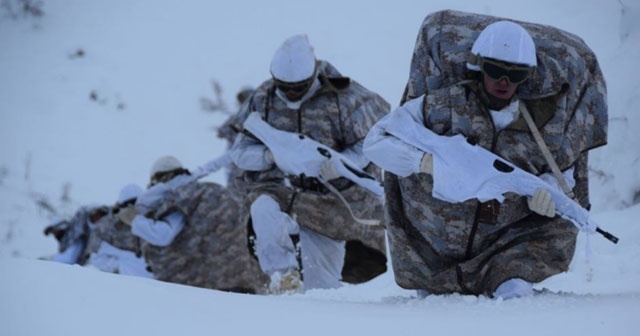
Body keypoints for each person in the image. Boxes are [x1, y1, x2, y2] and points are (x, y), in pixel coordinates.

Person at [363, 10, 607, 299]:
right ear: (478, 66)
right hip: (434, 249)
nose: (504, 80)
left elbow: (566, 175)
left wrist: (547, 194)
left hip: (506, 250)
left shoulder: (546, 125)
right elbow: (376, 143)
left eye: (515, 74)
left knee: (514, 298)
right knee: (430, 311)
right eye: (495, 70)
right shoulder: (440, 107)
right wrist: (424, 162)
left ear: (527, 76)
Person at [229, 34, 389, 293]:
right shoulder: (263, 99)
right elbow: (239, 152)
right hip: (279, 188)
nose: (291, 93)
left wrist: (342, 164)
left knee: (321, 289)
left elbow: (373, 142)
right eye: (284, 87)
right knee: (262, 210)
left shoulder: (347, 98)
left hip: (330, 200)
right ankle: (282, 277)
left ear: (313, 75)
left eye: (298, 87)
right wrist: (271, 157)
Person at [127, 155, 270, 294]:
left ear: (159, 179)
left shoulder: (180, 197)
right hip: (244, 277)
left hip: (206, 284)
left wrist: (133, 219)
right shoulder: (214, 191)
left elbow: (163, 235)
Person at [83, 183, 153, 278]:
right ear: (122, 206)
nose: (133, 209)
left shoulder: (151, 219)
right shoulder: (107, 227)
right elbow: (96, 258)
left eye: (137, 203)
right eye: (130, 204)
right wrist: (121, 265)